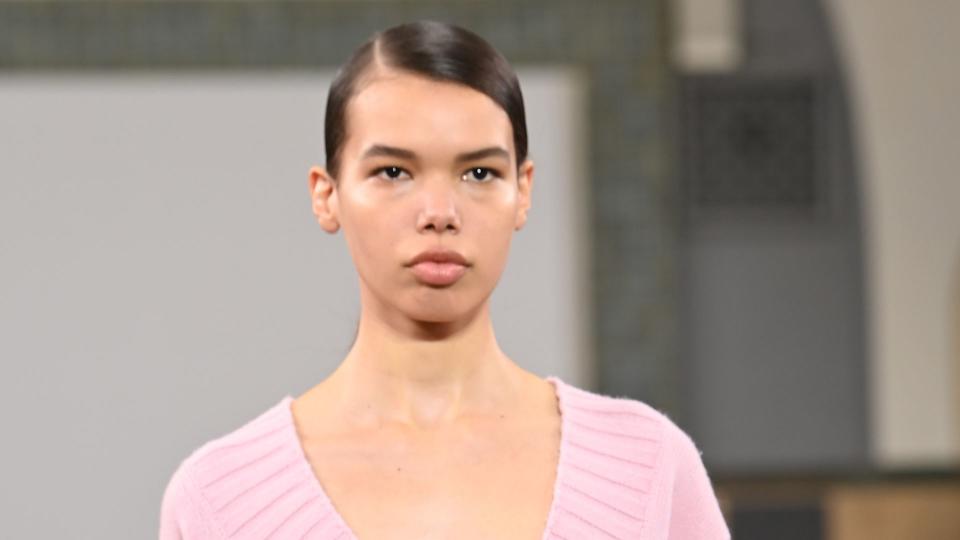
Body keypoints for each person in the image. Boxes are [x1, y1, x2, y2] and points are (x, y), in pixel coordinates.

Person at [158, 20, 730, 540]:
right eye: (393, 172)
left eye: (479, 172)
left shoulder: (646, 465)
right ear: (326, 195)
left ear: (523, 191)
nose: (439, 211)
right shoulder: (222, 500)